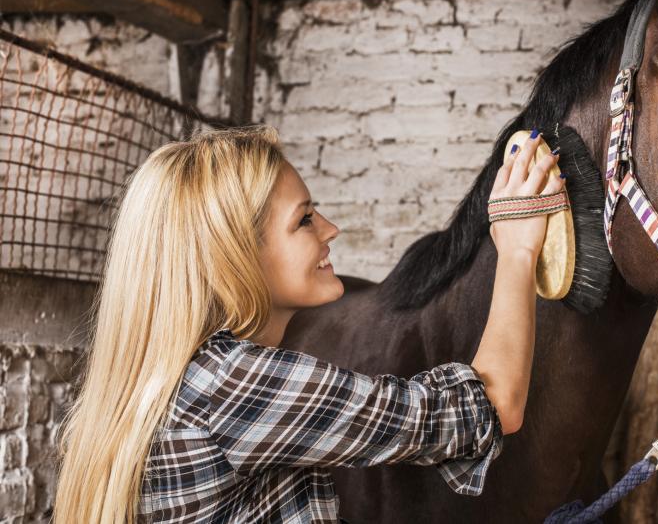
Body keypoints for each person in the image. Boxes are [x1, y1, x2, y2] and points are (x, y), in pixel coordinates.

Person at [52, 125, 565, 523]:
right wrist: (516, 246)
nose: (330, 229)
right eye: (304, 220)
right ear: (236, 256)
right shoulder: (232, 386)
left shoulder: (171, 383)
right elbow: (490, 406)